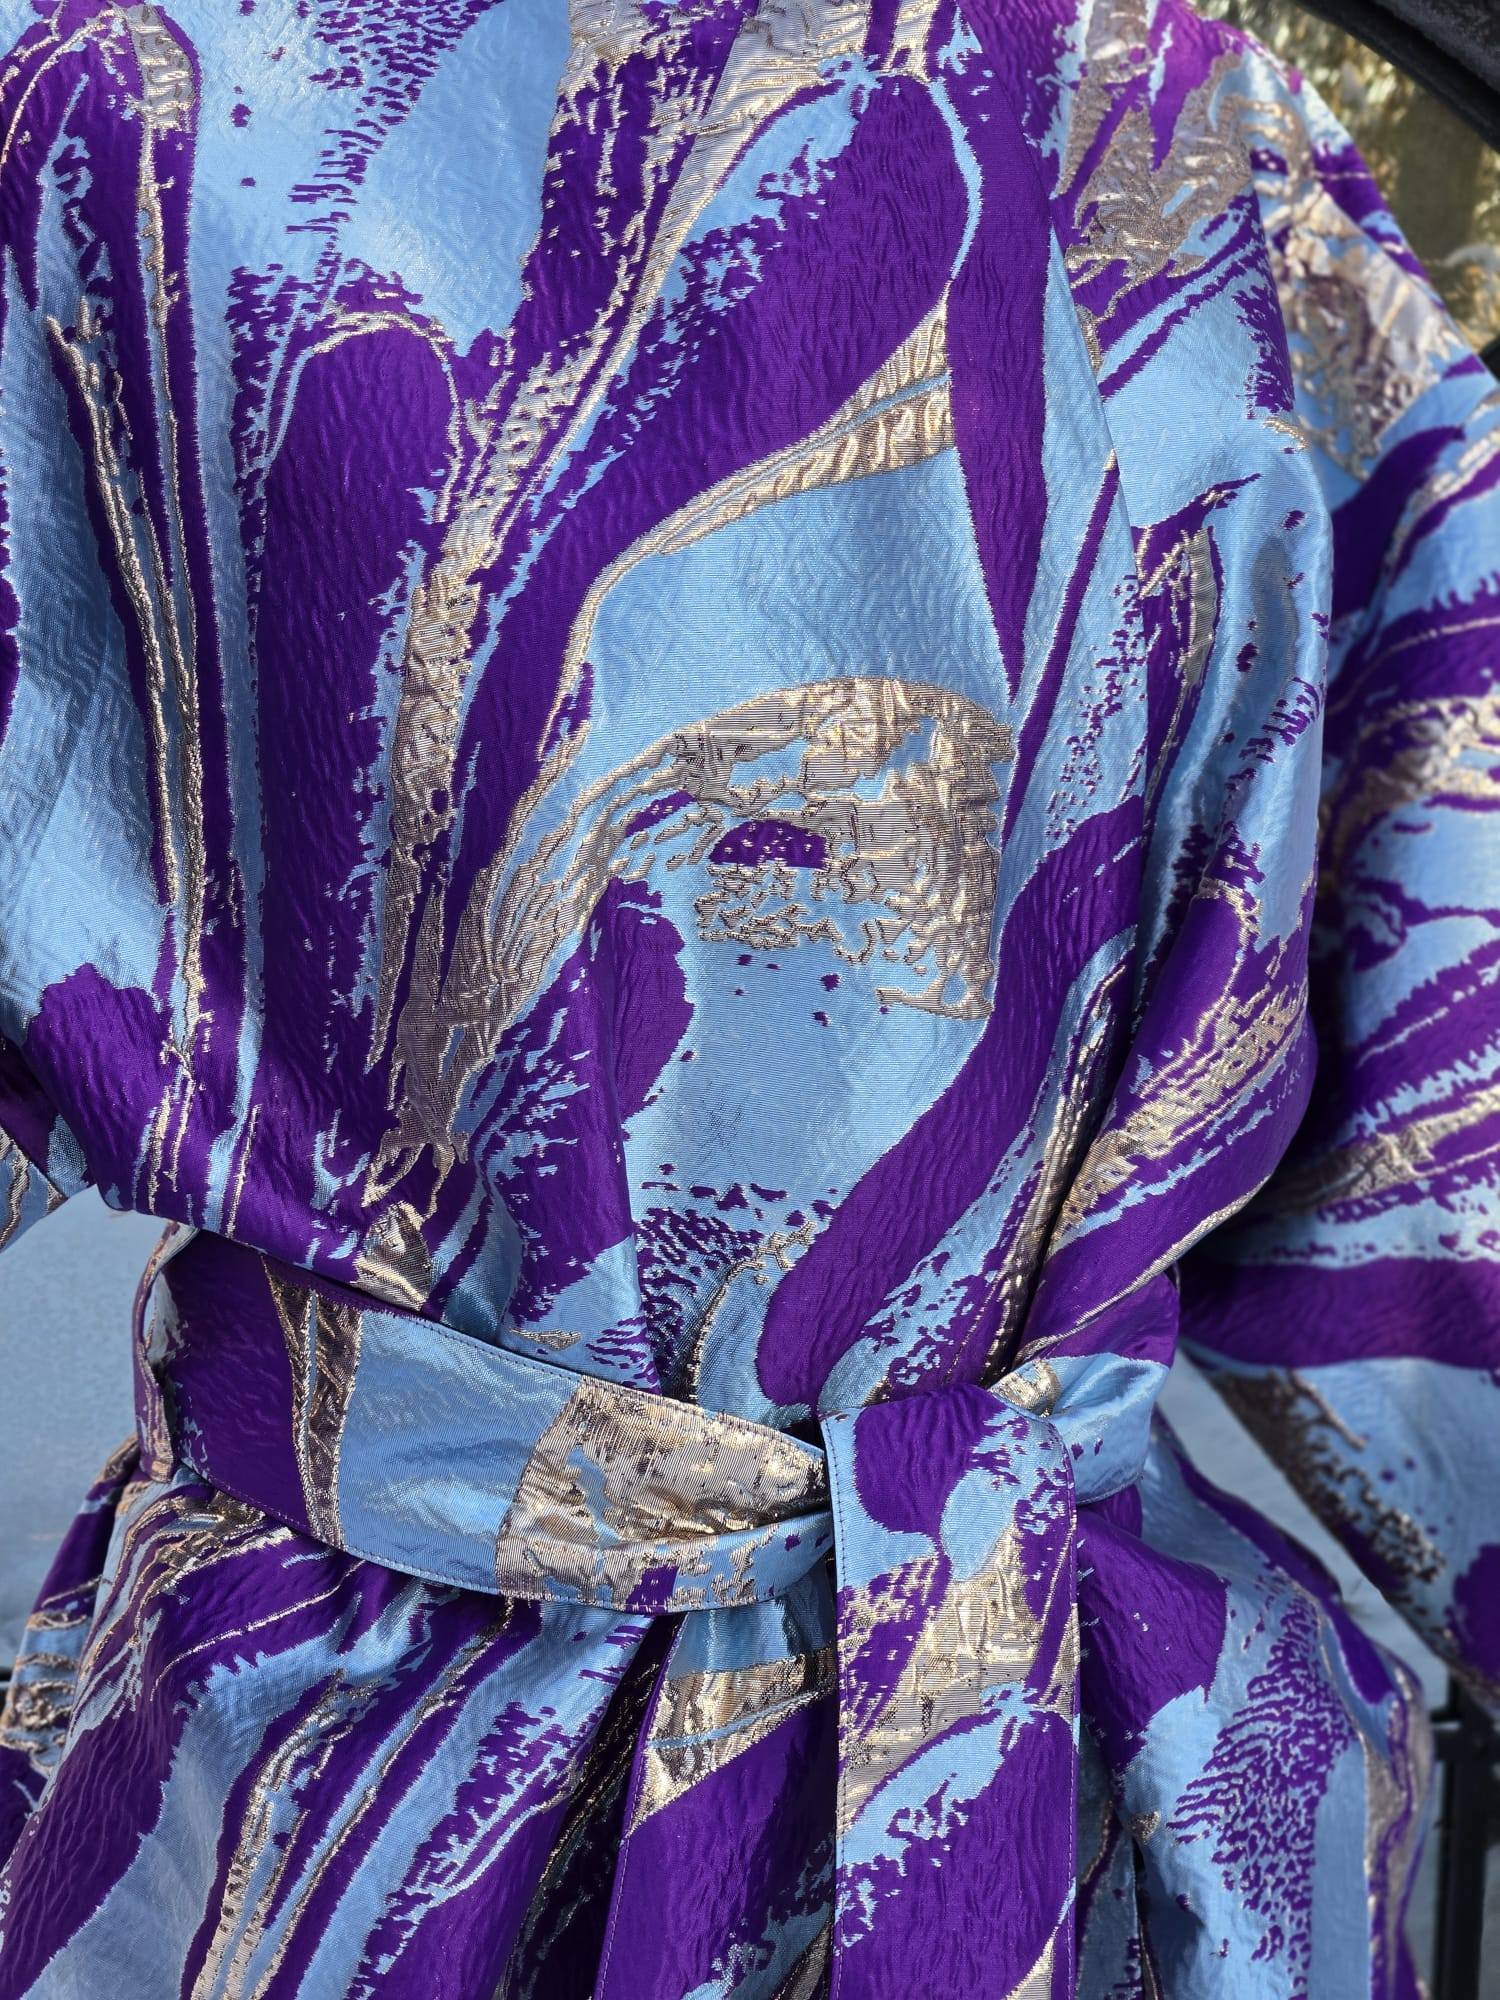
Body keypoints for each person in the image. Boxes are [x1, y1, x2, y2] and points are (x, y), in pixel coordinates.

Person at [0, 2, 1494, 1993]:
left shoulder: (118, 109)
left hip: (338, 1785)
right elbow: (1449, 1130)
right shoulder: (1204, 150)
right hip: (1092, 1760)